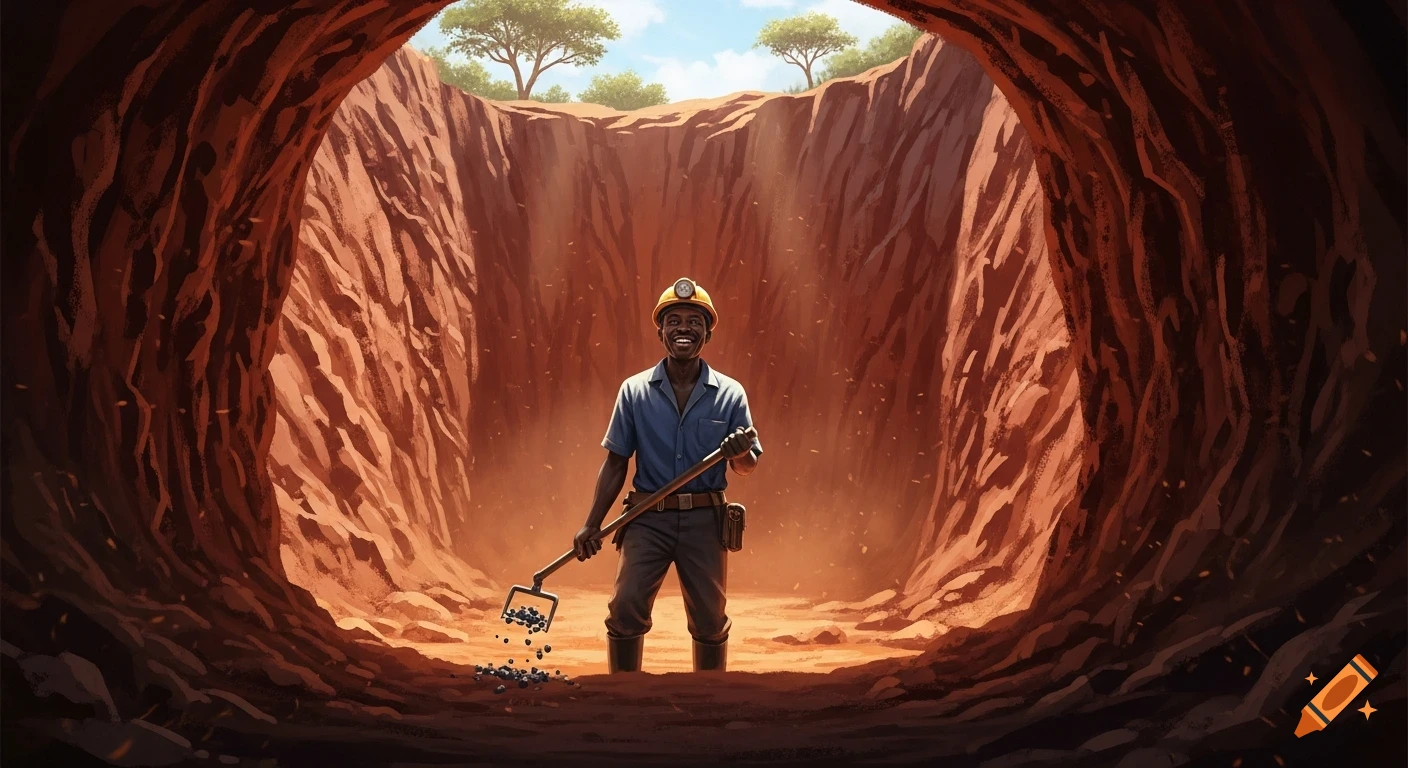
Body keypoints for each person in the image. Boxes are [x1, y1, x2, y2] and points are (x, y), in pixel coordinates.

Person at [571, 277, 762, 673]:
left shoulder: (730, 394)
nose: (683, 329)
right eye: (673, 321)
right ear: (660, 331)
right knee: (624, 609)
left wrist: (740, 453)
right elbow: (616, 462)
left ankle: (708, 706)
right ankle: (625, 702)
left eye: (694, 321)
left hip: (705, 522)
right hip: (646, 519)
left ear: (708, 332)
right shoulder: (634, 391)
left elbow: (745, 467)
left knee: (710, 620)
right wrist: (592, 524)